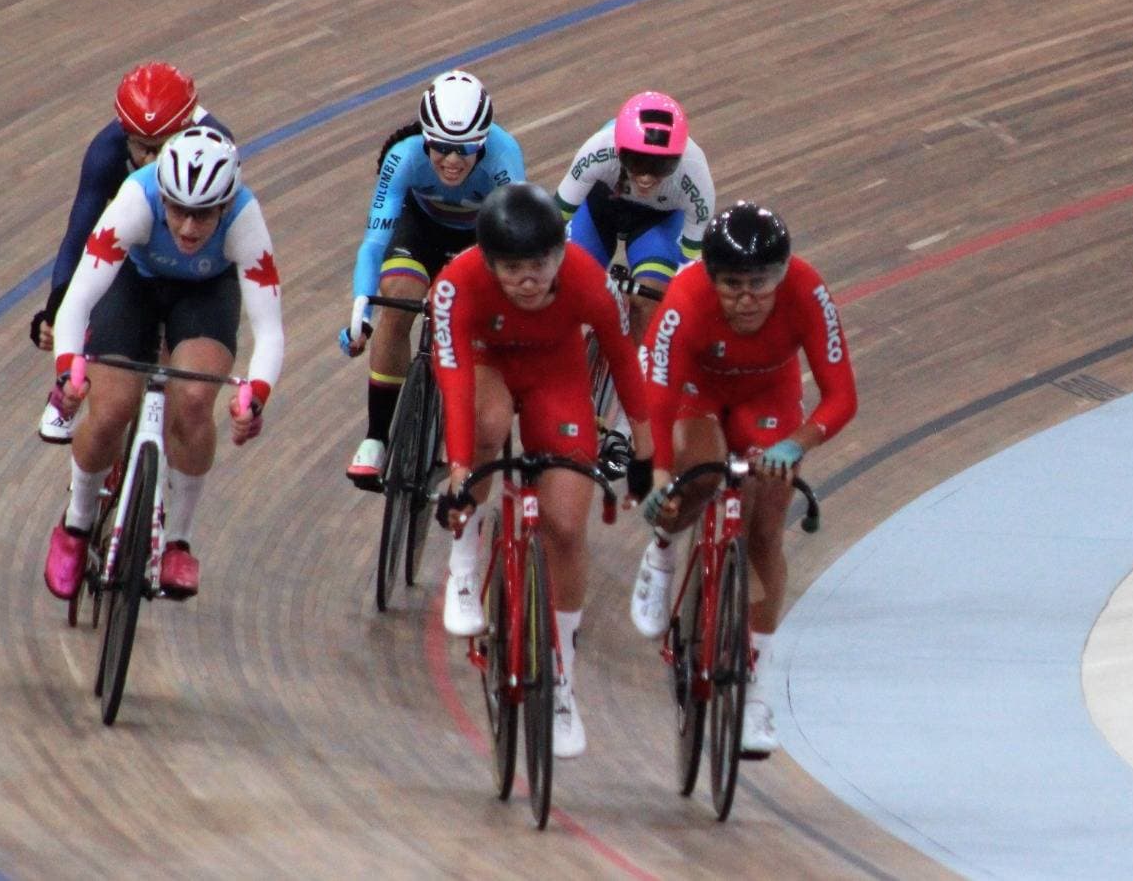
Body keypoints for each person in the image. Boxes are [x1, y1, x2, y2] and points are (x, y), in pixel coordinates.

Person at [431, 183, 654, 759]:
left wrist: (645, 452)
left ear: (560, 254)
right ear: (488, 262)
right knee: (488, 421)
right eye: (512, 269)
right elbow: (454, 383)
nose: (528, 280)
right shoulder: (457, 283)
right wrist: (459, 473)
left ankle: (560, 681)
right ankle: (464, 561)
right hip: (486, 364)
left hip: (557, 375)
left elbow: (624, 362)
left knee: (566, 526)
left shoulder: (589, 280)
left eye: (538, 266)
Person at [632, 201, 857, 754]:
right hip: (697, 391)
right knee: (698, 474)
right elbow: (657, 396)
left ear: (782, 273)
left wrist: (797, 443)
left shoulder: (807, 289)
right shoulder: (686, 299)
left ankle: (756, 691)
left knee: (765, 524)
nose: (747, 297)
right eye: (732, 284)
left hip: (768, 396)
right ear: (712, 277)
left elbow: (842, 395)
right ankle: (662, 551)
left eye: (760, 283)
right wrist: (660, 476)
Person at [42, 126, 283, 602]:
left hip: (205, 294)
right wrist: (68, 369)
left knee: (193, 399)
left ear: (225, 206)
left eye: (203, 214)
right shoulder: (135, 199)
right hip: (132, 283)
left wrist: (254, 397)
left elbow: (270, 329)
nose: (189, 229)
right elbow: (79, 299)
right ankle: (76, 524)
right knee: (110, 409)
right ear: (162, 196)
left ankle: (178, 542)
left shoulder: (245, 219)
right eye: (178, 211)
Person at [340, 70, 525, 490]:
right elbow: (374, 243)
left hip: (480, 238)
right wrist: (362, 312)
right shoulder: (403, 156)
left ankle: (454, 424)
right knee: (397, 298)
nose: (452, 160)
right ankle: (375, 438)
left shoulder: (504, 158)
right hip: (419, 231)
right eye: (441, 147)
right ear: (425, 139)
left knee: (464, 314)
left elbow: (511, 244)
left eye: (466, 149)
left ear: (483, 142)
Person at [31, 62, 233, 443]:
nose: (152, 164)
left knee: (182, 381)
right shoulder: (105, 152)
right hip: (132, 247)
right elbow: (80, 233)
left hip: (190, 259)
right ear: (125, 136)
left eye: (163, 147)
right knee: (92, 309)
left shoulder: (216, 145)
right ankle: (70, 388)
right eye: (143, 149)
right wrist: (56, 304)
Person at [553, 90, 715, 349]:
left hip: (657, 223)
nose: (646, 177)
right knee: (564, 292)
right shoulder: (598, 149)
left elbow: (691, 264)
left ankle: (641, 369)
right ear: (618, 150)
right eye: (636, 162)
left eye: (660, 167)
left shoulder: (695, 176)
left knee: (650, 300)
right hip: (600, 209)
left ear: (679, 159)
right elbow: (555, 218)